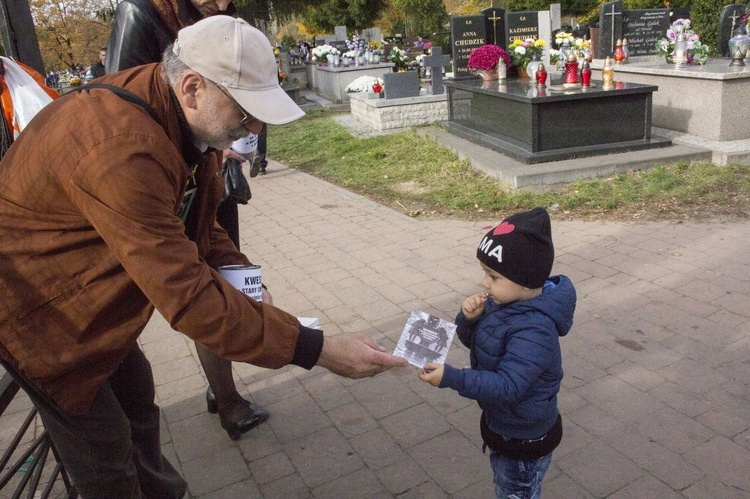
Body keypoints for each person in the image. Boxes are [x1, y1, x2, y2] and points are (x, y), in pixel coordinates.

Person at [0, 17, 407, 498]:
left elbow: (196, 215)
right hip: (39, 315)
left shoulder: (178, 113)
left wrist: (239, 274)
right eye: (245, 111)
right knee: (104, 456)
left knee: (137, 405)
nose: (253, 128)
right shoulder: (122, 147)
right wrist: (315, 349)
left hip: (87, 296)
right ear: (193, 87)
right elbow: (187, 296)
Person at [106, 0, 268, 439]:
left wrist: (229, 138)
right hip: (153, 185)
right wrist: (306, 346)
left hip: (204, 170)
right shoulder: (140, 15)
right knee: (187, 285)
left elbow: (251, 94)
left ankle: (225, 392)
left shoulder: (231, 24)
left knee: (221, 273)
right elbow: (120, 97)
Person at [419, 207, 576, 499]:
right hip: (504, 425)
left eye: (493, 276)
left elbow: (507, 385)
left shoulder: (535, 331)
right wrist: (470, 318)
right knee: (506, 485)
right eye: (484, 274)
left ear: (525, 280)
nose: (484, 283)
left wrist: (451, 378)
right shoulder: (502, 304)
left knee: (516, 491)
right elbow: (479, 344)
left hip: (523, 439)